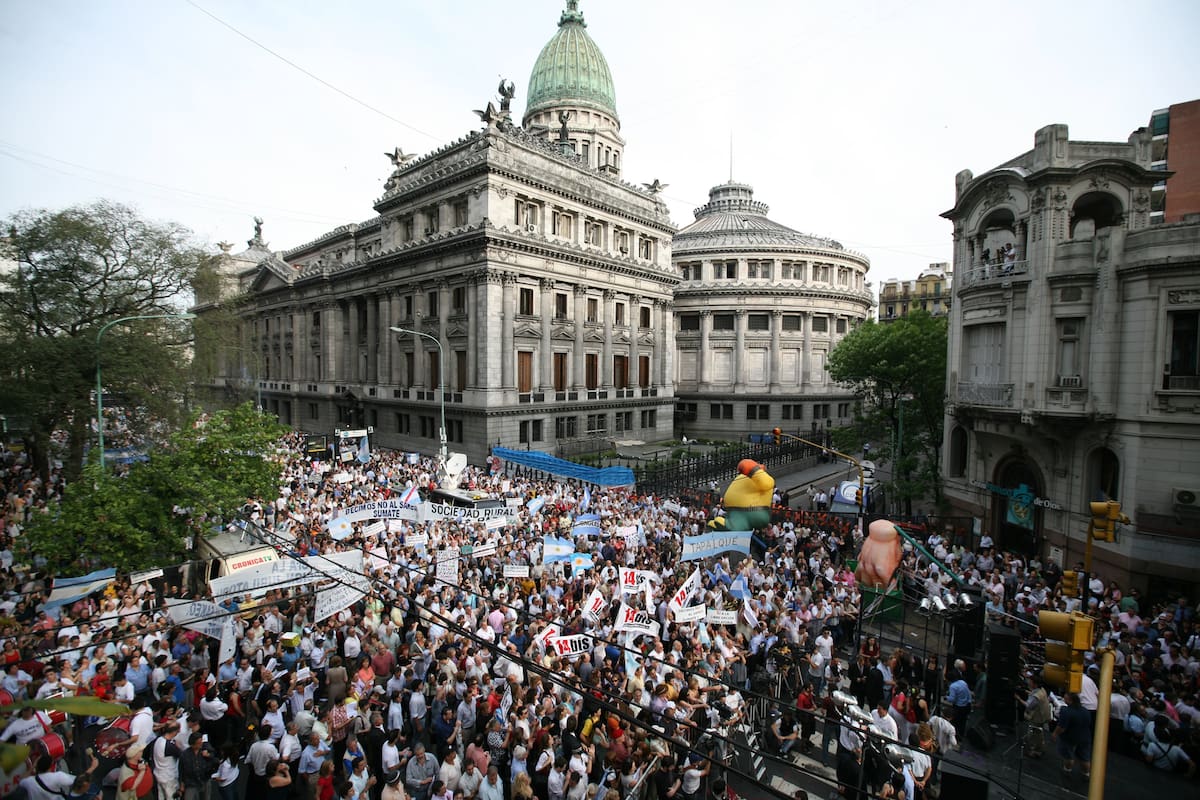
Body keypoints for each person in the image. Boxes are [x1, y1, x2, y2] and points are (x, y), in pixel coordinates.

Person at [22, 751, 98, 800]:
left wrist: (32, 767)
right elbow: (78, 781)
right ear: (50, 766)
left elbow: (21, 780)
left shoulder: (29, 781)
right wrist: (92, 767)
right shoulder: (57, 777)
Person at [1051, 692, 1092, 778]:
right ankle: (1086, 773)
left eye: (1065, 699)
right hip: (1084, 737)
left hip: (1069, 737)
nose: (1064, 700)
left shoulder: (1066, 711)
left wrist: (1055, 734)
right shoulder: (1085, 711)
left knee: (1068, 756)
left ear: (1070, 701)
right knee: (1084, 757)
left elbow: (1061, 727)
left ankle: (1067, 770)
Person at [1022, 676, 1051, 759]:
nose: (1029, 683)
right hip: (1043, 716)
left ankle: (1034, 752)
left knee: (1032, 734)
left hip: (1037, 718)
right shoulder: (1042, 690)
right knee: (1039, 733)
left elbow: (1029, 705)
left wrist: (1019, 699)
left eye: (1030, 682)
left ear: (1035, 684)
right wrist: (1027, 692)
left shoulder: (1036, 696)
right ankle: (1040, 749)